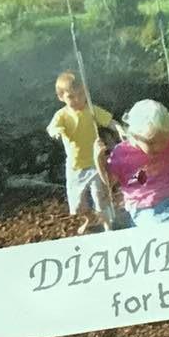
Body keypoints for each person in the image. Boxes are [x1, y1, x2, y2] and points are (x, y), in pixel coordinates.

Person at [101, 100, 169, 226]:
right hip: (143, 208)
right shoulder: (122, 153)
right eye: (151, 143)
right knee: (157, 228)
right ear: (135, 136)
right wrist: (99, 161)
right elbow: (109, 182)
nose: (158, 147)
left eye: (163, 140)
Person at [46, 73, 117, 231]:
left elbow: (109, 121)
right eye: (71, 97)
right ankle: (89, 218)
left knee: (100, 198)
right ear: (61, 97)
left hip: (95, 164)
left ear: (85, 91)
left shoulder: (91, 109)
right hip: (75, 167)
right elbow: (52, 128)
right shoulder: (62, 115)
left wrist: (118, 128)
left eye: (80, 94)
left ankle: (108, 226)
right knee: (78, 204)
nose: (77, 99)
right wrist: (56, 132)